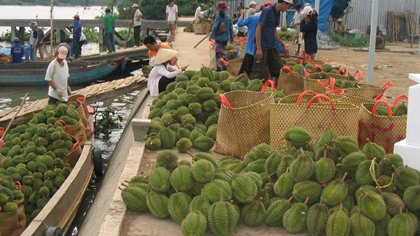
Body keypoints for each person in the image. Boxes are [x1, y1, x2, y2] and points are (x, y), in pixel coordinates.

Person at [238, 3, 285, 76]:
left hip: (251, 50)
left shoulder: (252, 18)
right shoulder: (268, 19)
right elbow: (272, 35)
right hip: (262, 51)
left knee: (245, 73)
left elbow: (240, 23)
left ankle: (243, 86)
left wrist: (241, 15)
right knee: (260, 73)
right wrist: (282, 48)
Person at [255, 0, 292, 85]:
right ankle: (258, 94)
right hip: (263, 46)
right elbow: (259, 28)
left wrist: (283, 45)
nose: (287, 8)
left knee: (277, 70)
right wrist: (259, 48)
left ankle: (274, 90)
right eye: (288, 6)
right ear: (283, 3)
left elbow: (274, 31)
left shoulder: (278, 13)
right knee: (259, 73)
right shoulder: (267, 11)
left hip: (272, 46)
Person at [211, 1, 234, 71]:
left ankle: (220, 68)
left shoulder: (218, 17)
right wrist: (231, 38)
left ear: (219, 10)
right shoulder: (228, 17)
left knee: (218, 54)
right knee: (223, 52)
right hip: (225, 39)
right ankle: (226, 65)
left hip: (219, 39)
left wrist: (212, 35)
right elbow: (231, 28)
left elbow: (214, 28)